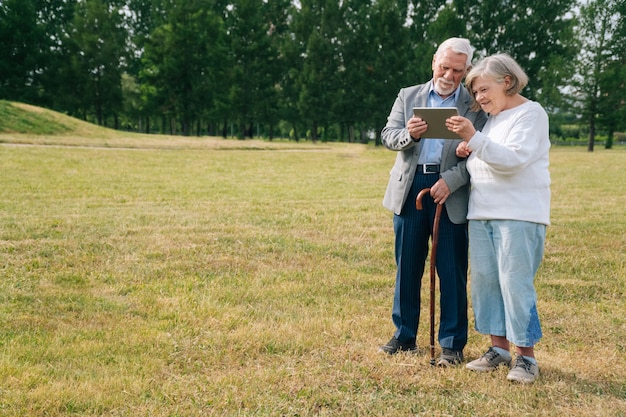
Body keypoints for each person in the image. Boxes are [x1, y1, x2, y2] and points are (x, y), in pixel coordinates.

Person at [379, 37, 487, 367]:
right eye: (444, 67)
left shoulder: (475, 104)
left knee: (451, 270)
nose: (449, 75)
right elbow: (387, 136)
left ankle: (452, 344)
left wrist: (450, 181)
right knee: (407, 266)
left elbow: (480, 153)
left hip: (450, 192)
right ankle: (404, 335)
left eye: (457, 70)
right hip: (411, 190)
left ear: (466, 69)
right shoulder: (407, 96)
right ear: (433, 62)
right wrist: (409, 135)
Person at [446, 53, 550, 383]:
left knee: (514, 286)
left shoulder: (531, 114)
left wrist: (473, 140)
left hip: (518, 215)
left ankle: (526, 359)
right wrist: (471, 149)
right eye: (475, 92)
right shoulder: (492, 120)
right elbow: (487, 159)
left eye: (484, 89)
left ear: (507, 82)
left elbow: (512, 161)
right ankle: (499, 350)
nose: (479, 98)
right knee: (487, 284)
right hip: (482, 213)